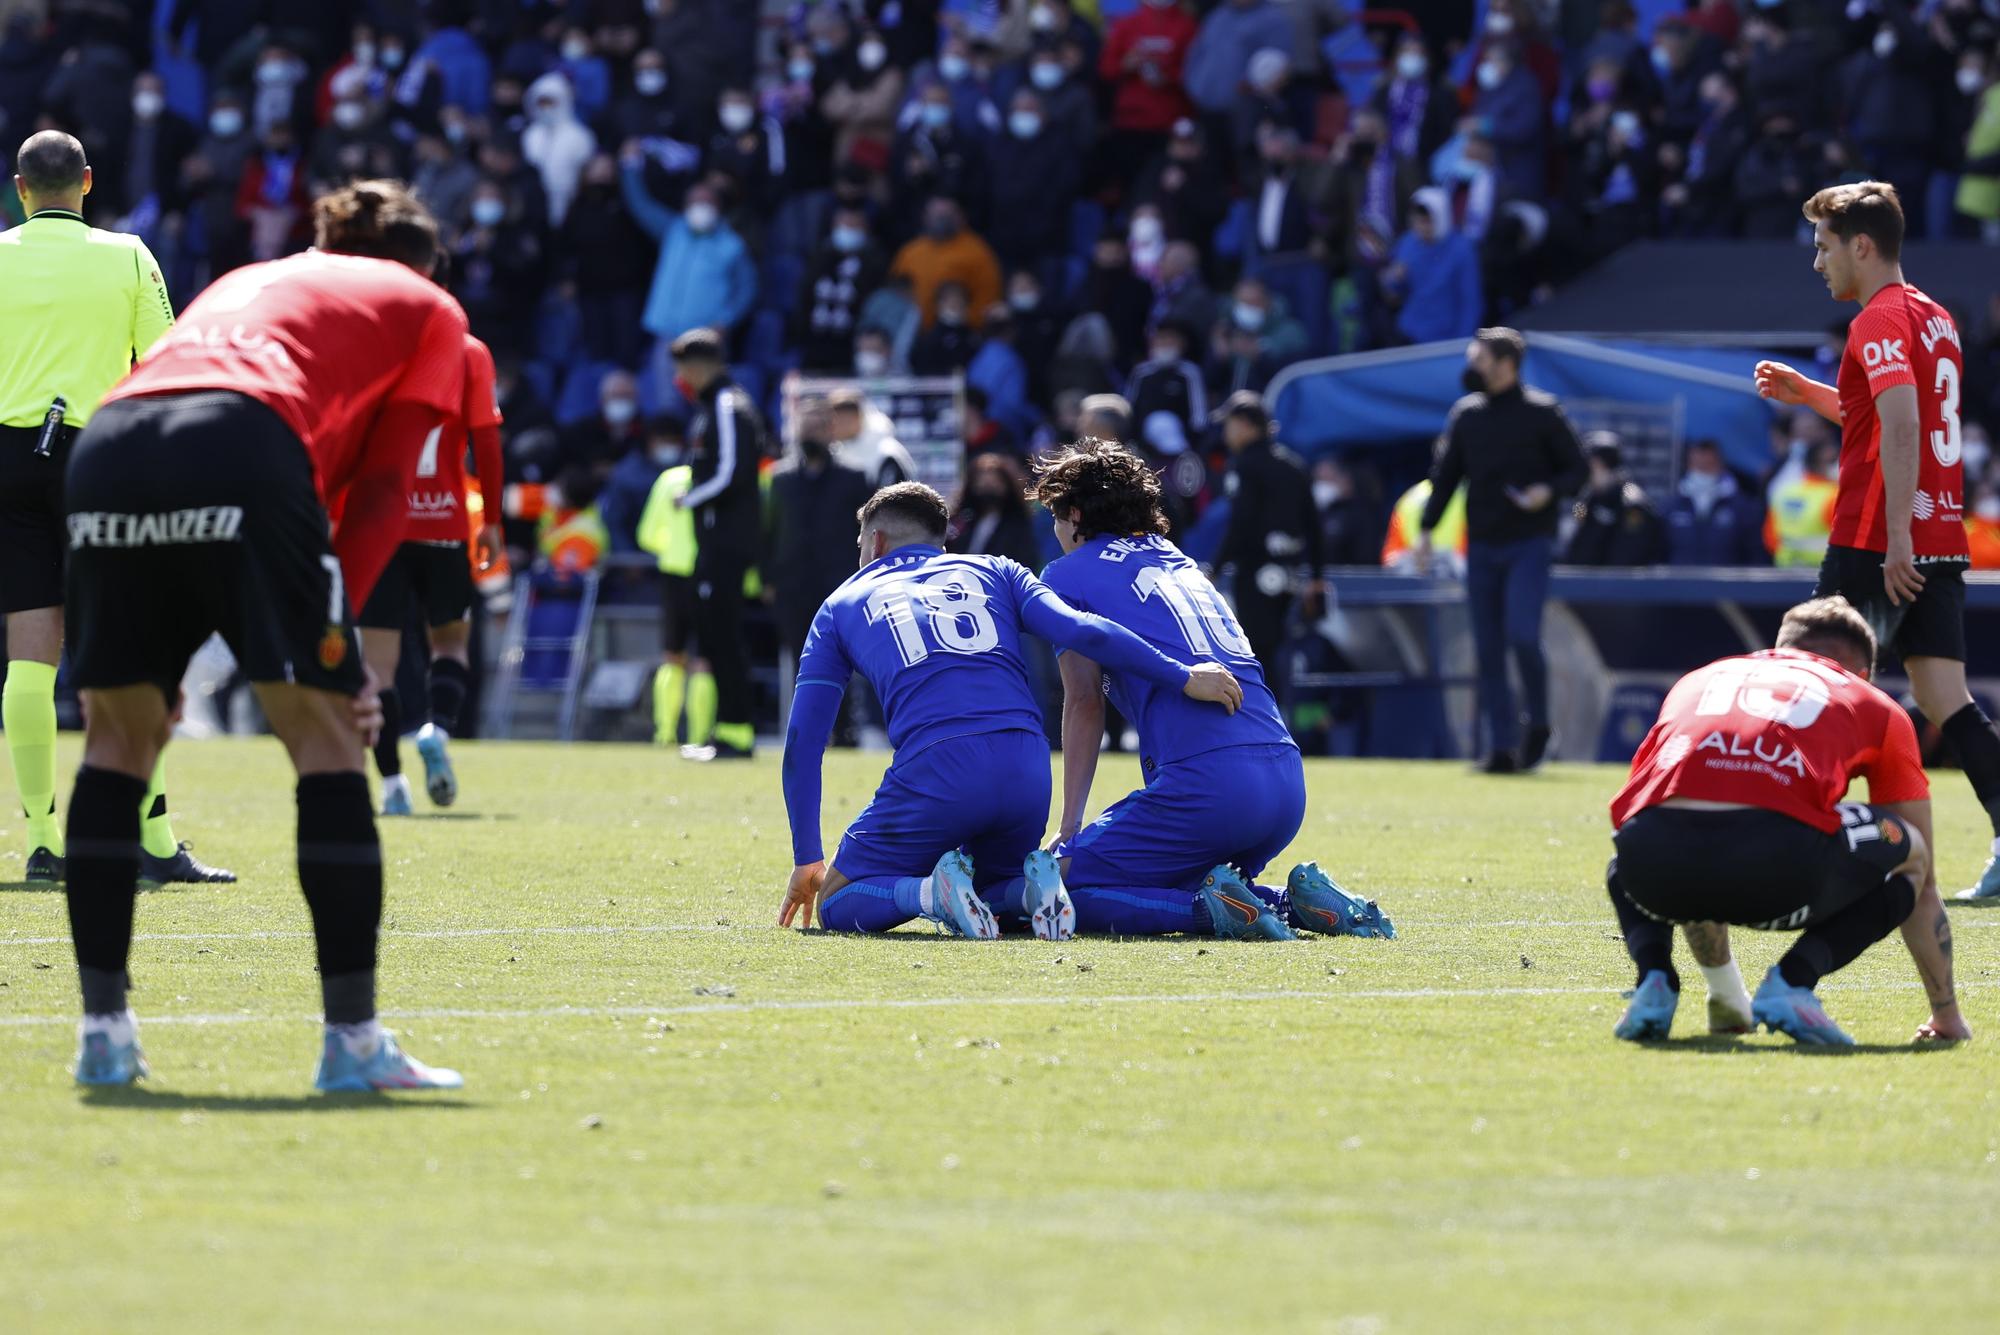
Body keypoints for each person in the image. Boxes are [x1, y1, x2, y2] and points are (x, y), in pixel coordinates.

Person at [59, 179, 467, 1091]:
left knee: (118, 741)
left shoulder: (258, 275)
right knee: (325, 739)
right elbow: (387, 488)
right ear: (425, 261)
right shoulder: (427, 309)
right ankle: (353, 1044)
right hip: (241, 437)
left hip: (111, 441)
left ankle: (103, 1033)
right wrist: (343, 648)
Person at [776, 482, 1245, 940]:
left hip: (938, 767)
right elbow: (1088, 632)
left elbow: (803, 743)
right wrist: (1183, 675)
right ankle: (1030, 893)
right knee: (993, 890)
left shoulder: (840, 603)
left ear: (875, 542)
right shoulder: (999, 570)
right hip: (1025, 767)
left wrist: (807, 857)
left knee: (837, 902)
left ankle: (931, 895)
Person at [1034, 438, 1394, 940]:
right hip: (1285, 781)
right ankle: (1297, 906)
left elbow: (1086, 701)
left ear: (1074, 514)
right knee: (1174, 876)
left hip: (1211, 789)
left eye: (1055, 517)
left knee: (1057, 889)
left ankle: (1210, 916)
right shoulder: (1175, 557)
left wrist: (1069, 827)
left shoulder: (1066, 573)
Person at [1753, 183, 2000, 901]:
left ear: (1863, 246)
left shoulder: (1877, 321)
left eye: (1825, 247)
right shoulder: (1933, 317)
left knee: (1811, 688)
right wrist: (1812, 394)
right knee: (1944, 697)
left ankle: (1792, 847)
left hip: (1876, 539)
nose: (1818, 262)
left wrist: (1894, 541)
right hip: (1940, 534)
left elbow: (1899, 429)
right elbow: (1885, 416)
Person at [0, 131, 230, 889]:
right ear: (88, 183)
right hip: (98, 463)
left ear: (21, 188)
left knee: (30, 658)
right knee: (129, 650)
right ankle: (153, 839)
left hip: (9, 465)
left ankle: (41, 840)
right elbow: (166, 369)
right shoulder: (129, 255)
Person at [1606, 597, 1966, 1047]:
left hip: (1651, 868)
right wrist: (1946, 1015)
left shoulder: (1696, 680)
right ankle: (1794, 982)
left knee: (1668, 820)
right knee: (1910, 851)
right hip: (1775, 871)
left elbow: (1656, 801)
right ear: (1862, 672)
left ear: (1779, 649)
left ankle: (1657, 982)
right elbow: (1925, 880)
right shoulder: (1872, 702)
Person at [1418, 328, 1586, 774]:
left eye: (1481, 359)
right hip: (1483, 546)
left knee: (1523, 635)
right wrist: (1425, 531)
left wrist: (1546, 492)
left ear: (1506, 364)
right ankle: (1503, 747)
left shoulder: (1543, 412)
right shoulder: (1467, 415)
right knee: (1489, 648)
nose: (1473, 367)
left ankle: (1540, 725)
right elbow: (1447, 476)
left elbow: (1578, 470)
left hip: (1529, 543)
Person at [357, 329, 506, 817]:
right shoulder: (468, 352)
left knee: (378, 667)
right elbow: (486, 437)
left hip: (383, 526)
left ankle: (393, 785)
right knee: (450, 644)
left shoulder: (377, 343)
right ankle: (436, 730)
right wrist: (494, 521)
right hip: (445, 523)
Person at [671, 327, 765, 761]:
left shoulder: (728, 406)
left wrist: (691, 497)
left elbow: (732, 471)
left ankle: (737, 733)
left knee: (724, 636)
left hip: (727, 541)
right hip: (714, 541)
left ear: (699, 366)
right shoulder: (712, 407)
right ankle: (727, 731)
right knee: (714, 634)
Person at [1214, 390, 1320, 710]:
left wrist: (1216, 566)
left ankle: (1264, 721)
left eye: (1230, 424)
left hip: (1255, 570)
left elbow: (1241, 524)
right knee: (1280, 650)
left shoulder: (1245, 466)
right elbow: (1313, 525)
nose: (1226, 433)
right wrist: (1317, 574)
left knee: (1255, 651)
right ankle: (1280, 717)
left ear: (1246, 425)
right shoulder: (1293, 465)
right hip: (1289, 574)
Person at [635, 429, 714, 751]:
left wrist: (672, 548)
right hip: (709, 573)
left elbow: (647, 535)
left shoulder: (669, 480)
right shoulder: (723, 482)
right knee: (705, 661)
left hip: (673, 574)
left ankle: (664, 734)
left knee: (672, 657)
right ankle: (699, 737)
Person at [1564, 433, 1665, 566]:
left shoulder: (1632, 501)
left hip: (1611, 583)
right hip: (1583, 581)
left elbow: (1628, 554)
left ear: (1598, 463)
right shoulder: (1587, 497)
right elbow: (1577, 538)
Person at [1666, 440, 1767, 567]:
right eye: (1698, 466)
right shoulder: (1670, 507)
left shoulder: (1744, 509)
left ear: (1720, 465)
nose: (1702, 473)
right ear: (1688, 466)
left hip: (1727, 584)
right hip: (1679, 584)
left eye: (1708, 466)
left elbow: (1756, 556)